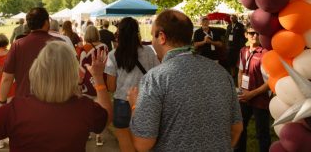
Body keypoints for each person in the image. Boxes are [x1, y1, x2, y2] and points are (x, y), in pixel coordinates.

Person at [0, 41, 112, 151]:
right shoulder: (84, 108)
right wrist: (98, 78)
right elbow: (107, 118)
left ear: (36, 70)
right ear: (73, 74)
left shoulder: (15, 111)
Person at [128, 9, 243, 151]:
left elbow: (143, 143)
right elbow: (236, 128)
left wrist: (135, 106)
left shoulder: (155, 78)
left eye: (153, 35)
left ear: (162, 37)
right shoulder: (222, 73)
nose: (152, 41)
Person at [104, 17, 159, 152]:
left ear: (119, 33)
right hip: (145, 102)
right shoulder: (149, 52)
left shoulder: (113, 55)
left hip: (122, 104)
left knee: (125, 145)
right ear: (137, 32)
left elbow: (111, 87)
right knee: (145, 145)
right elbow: (156, 76)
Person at [0, 7, 60, 102]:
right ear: (46, 22)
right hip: (53, 102)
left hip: (24, 102)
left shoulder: (18, 45)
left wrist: (2, 101)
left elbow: (7, 78)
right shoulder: (60, 44)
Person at [235, 24, 271, 152]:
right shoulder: (243, 51)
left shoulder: (265, 53)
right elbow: (240, 72)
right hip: (244, 97)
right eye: (251, 33)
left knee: (262, 132)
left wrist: (252, 94)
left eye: (257, 33)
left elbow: (271, 81)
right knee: (240, 128)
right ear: (245, 35)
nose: (254, 35)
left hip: (260, 98)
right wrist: (241, 90)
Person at [77, 25, 108, 146]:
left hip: (87, 82)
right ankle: (99, 137)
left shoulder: (84, 48)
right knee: (100, 107)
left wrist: (79, 82)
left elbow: (81, 68)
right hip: (100, 79)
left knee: (87, 107)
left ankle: (88, 132)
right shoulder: (104, 46)